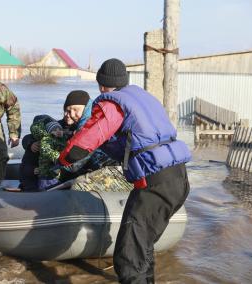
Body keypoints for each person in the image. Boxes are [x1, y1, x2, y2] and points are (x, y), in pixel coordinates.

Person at [58, 58, 191, 283]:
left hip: (155, 184)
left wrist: (63, 159)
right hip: (178, 179)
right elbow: (139, 142)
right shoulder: (143, 98)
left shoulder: (112, 103)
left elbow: (84, 143)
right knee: (142, 248)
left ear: (102, 84)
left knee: (128, 257)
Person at [18, 90, 91, 192]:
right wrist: (30, 143)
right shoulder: (56, 126)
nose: (67, 114)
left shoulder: (83, 131)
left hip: (61, 173)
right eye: (66, 110)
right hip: (44, 171)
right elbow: (29, 137)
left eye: (73, 111)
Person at [30, 116, 68, 190]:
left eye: (60, 129)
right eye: (54, 130)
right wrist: (57, 156)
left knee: (55, 187)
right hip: (46, 173)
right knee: (46, 188)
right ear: (49, 132)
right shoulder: (46, 139)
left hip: (55, 173)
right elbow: (46, 150)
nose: (58, 131)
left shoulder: (61, 141)